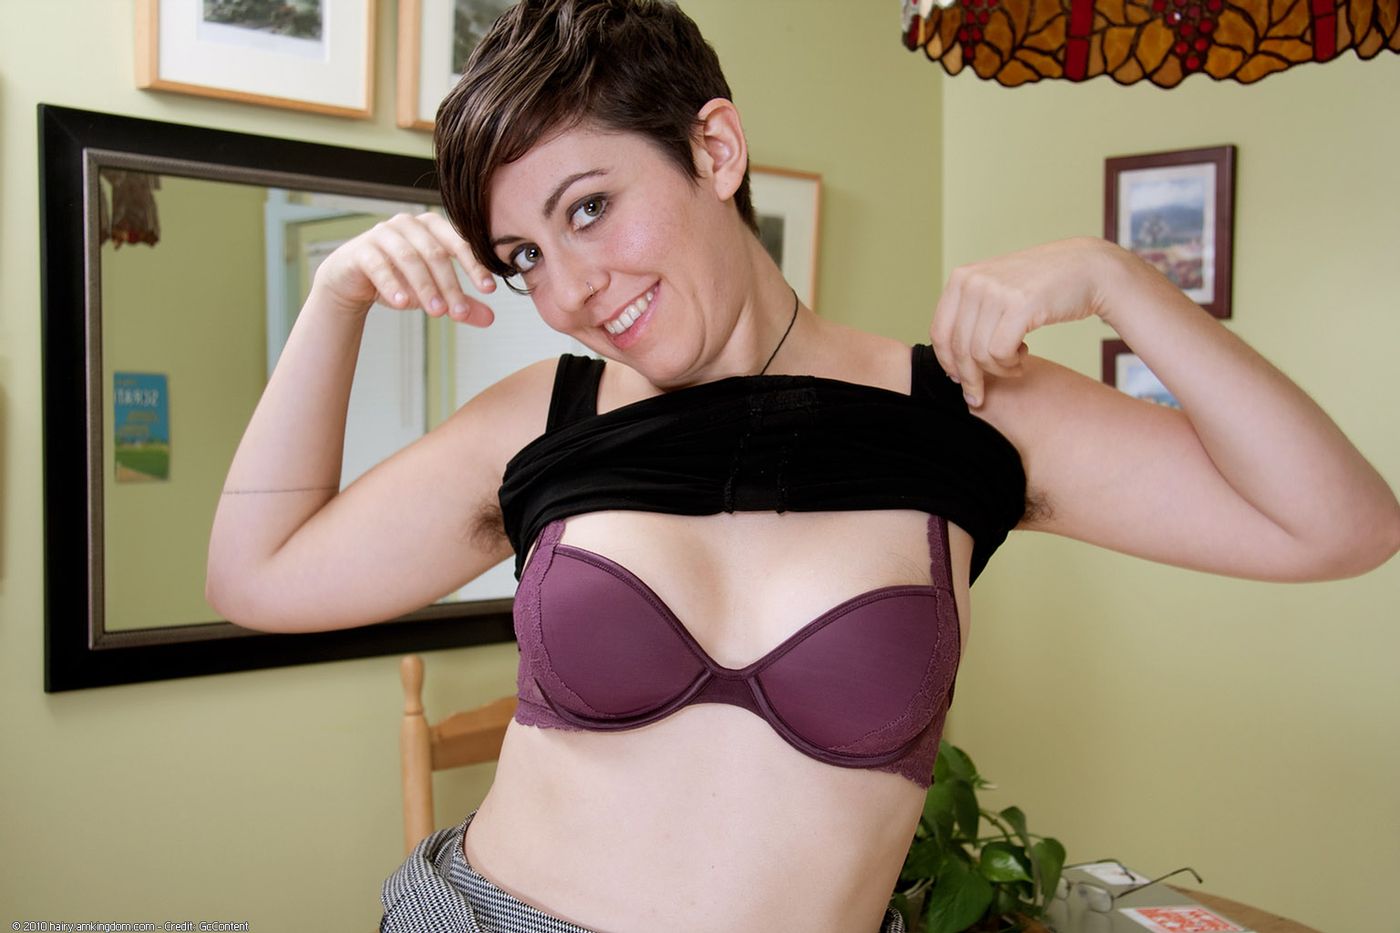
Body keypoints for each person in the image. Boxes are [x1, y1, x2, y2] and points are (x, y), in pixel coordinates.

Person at [204, 1, 1400, 931]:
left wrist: (1117, 279)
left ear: (713, 148)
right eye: (523, 256)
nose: (568, 291)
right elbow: (257, 578)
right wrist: (335, 298)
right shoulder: (546, 418)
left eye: (588, 208)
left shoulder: (967, 410)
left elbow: (1340, 525)